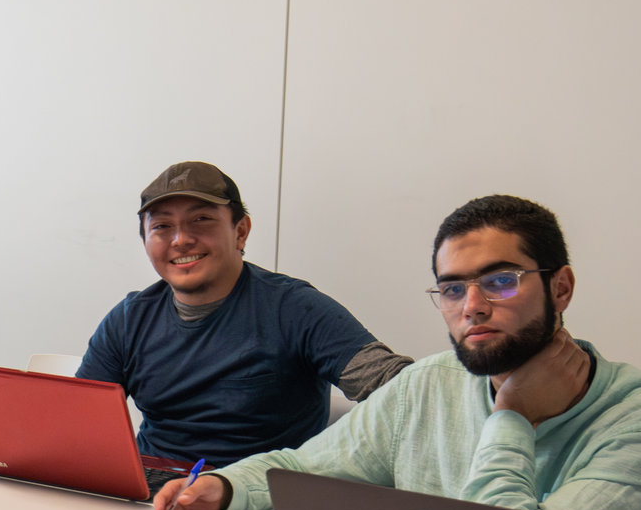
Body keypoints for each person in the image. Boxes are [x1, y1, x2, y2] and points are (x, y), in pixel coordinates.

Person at [157, 195, 641, 510]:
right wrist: (225, 487)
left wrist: (512, 416)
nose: (472, 307)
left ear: (561, 288)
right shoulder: (428, 384)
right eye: (452, 289)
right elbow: (302, 468)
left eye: (501, 281)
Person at [79, 161, 410, 467]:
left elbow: (404, 391)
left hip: (258, 498)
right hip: (150, 494)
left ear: (240, 231)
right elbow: (78, 420)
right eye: (162, 226)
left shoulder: (296, 309)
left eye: (201, 220)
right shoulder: (128, 321)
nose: (180, 240)